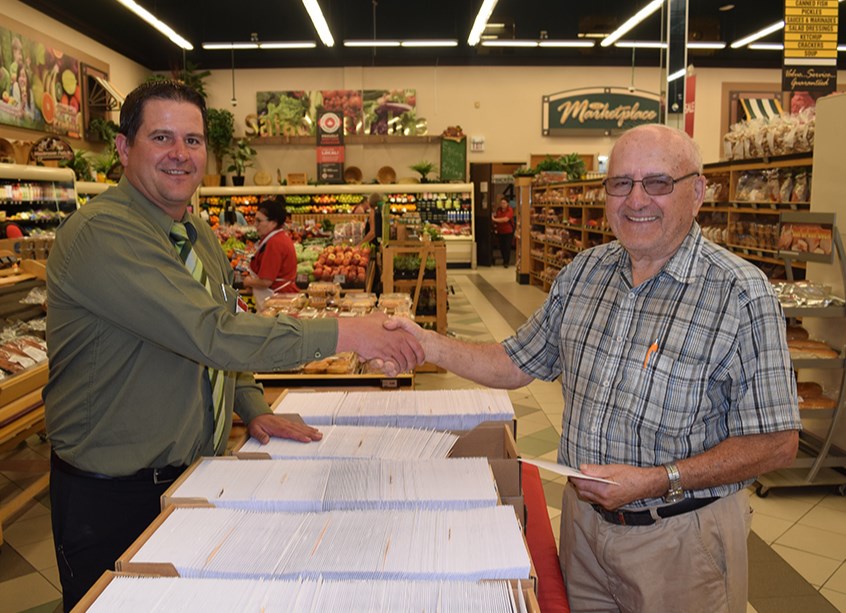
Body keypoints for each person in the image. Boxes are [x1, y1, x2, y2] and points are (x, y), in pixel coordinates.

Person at [44, 80, 424, 611]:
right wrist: (345, 331)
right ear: (124, 148)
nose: (181, 154)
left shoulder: (195, 234)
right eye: (162, 137)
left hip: (194, 474)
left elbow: (227, 320)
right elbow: (211, 334)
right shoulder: (104, 235)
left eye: (194, 140)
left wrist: (250, 406)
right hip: (111, 493)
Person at [388, 124, 800, 613]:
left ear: (697, 193)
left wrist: (660, 478)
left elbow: (777, 442)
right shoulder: (584, 273)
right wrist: (427, 344)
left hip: (681, 543)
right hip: (583, 533)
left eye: (658, 183)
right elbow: (516, 362)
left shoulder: (740, 294)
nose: (636, 200)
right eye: (621, 183)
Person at [241, 198, 298, 310]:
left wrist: (248, 281)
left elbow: (266, 281)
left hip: (278, 301)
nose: (255, 225)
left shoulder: (274, 243)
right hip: (282, 298)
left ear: (273, 223)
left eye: (259, 221)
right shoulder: (278, 238)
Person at [360, 192, 384, 292]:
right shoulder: (380, 212)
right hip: (378, 246)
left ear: (370, 202)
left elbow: (373, 232)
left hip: (373, 248)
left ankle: (374, 295)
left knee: (374, 276)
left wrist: (360, 244)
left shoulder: (373, 212)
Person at [492, 195, 514, 267]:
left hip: (508, 232)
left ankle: (506, 262)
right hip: (500, 231)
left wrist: (495, 220)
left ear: (507, 203)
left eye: (504, 203)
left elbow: (505, 219)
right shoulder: (499, 210)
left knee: (507, 247)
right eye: (501, 203)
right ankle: (504, 259)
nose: (502, 204)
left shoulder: (510, 210)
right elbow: (495, 215)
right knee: (501, 246)